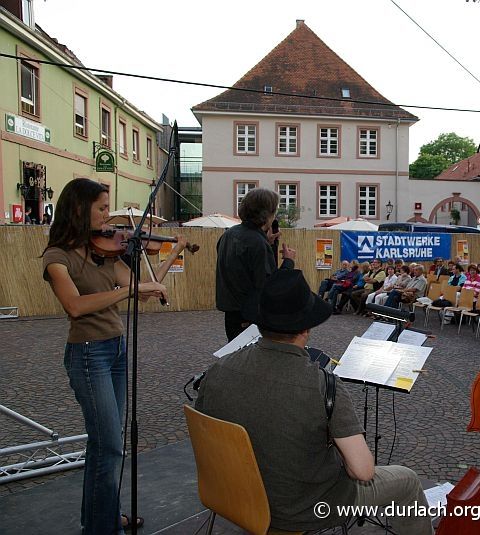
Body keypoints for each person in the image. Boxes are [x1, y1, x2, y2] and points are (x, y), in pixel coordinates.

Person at [195, 270, 432, 534]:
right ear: (306, 328)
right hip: (301, 509)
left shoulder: (218, 368)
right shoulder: (324, 386)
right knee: (408, 481)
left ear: (259, 323)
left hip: (232, 495)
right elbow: (363, 471)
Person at [42, 178, 177, 534]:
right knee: (110, 446)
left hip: (116, 349)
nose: (108, 215)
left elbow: (142, 292)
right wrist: (127, 291)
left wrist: (164, 262)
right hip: (88, 355)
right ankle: (103, 527)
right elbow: (75, 305)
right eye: (102, 208)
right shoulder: (57, 257)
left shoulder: (104, 251)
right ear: (78, 209)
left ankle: (101, 517)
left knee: (105, 445)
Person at [216, 188, 296, 341]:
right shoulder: (257, 242)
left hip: (231, 313)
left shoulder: (228, 234)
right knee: (253, 360)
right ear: (267, 215)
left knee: (237, 355)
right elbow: (270, 286)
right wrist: (289, 261)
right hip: (250, 316)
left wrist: (269, 245)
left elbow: (241, 268)